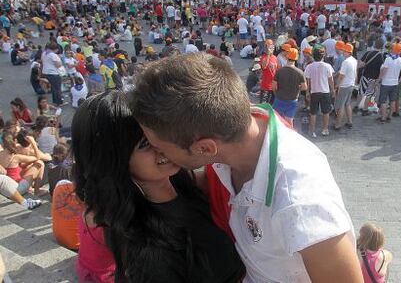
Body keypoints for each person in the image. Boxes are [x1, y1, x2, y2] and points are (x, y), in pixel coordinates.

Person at [130, 53, 363, 283]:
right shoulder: (233, 137)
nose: (159, 154)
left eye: (159, 147)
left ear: (205, 148)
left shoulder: (300, 203)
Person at [72, 91, 245, 283]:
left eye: (160, 133)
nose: (161, 145)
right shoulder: (148, 249)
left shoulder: (185, 183)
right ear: (114, 161)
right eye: (146, 143)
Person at [305, 45, 335, 137]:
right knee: (326, 112)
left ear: (313, 55)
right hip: (325, 91)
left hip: (314, 92)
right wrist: (333, 90)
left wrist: (307, 92)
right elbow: (331, 80)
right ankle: (325, 129)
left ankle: (312, 131)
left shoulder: (309, 66)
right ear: (323, 55)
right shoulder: (328, 66)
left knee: (313, 113)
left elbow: (308, 81)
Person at [272, 48, 307, 125]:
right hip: (292, 100)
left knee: (277, 120)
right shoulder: (300, 72)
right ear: (296, 59)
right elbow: (304, 87)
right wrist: (297, 90)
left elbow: (273, 87)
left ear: (287, 57)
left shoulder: (280, 71)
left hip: (279, 99)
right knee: (289, 121)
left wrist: (276, 94)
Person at [378, 43, 401, 123]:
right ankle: (389, 117)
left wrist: (379, 79)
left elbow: (384, 71)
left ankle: (383, 117)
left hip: (385, 83)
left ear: (393, 50)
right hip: (394, 84)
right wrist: (397, 81)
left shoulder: (388, 59)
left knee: (383, 101)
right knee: (392, 101)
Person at [358, 39, 385, 116]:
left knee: (360, 92)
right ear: (382, 47)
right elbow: (382, 69)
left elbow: (360, 64)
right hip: (373, 78)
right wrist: (378, 80)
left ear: (374, 44)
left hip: (365, 76)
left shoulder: (368, 53)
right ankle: (365, 109)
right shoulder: (381, 56)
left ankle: (356, 106)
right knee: (369, 94)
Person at [334, 43, 358, 130]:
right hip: (351, 84)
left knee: (341, 106)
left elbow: (341, 76)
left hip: (344, 86)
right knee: (347, 104)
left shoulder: (346, 62)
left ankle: (338, 125)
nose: (343, 52)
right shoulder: (354, 60)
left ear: (348, 52)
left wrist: (337, 85)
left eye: (344, 51)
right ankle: (349, 122)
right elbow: (355, 73)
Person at [259, 39, 278, 103]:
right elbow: (264, 66)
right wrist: (268, 55)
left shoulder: (275, 58)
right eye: (268, 46)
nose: (270, 48)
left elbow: (276, 71)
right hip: (265, 87)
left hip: (273, 87)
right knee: (263, 107)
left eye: (272, 46)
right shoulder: (263, 57)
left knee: (271, 107)